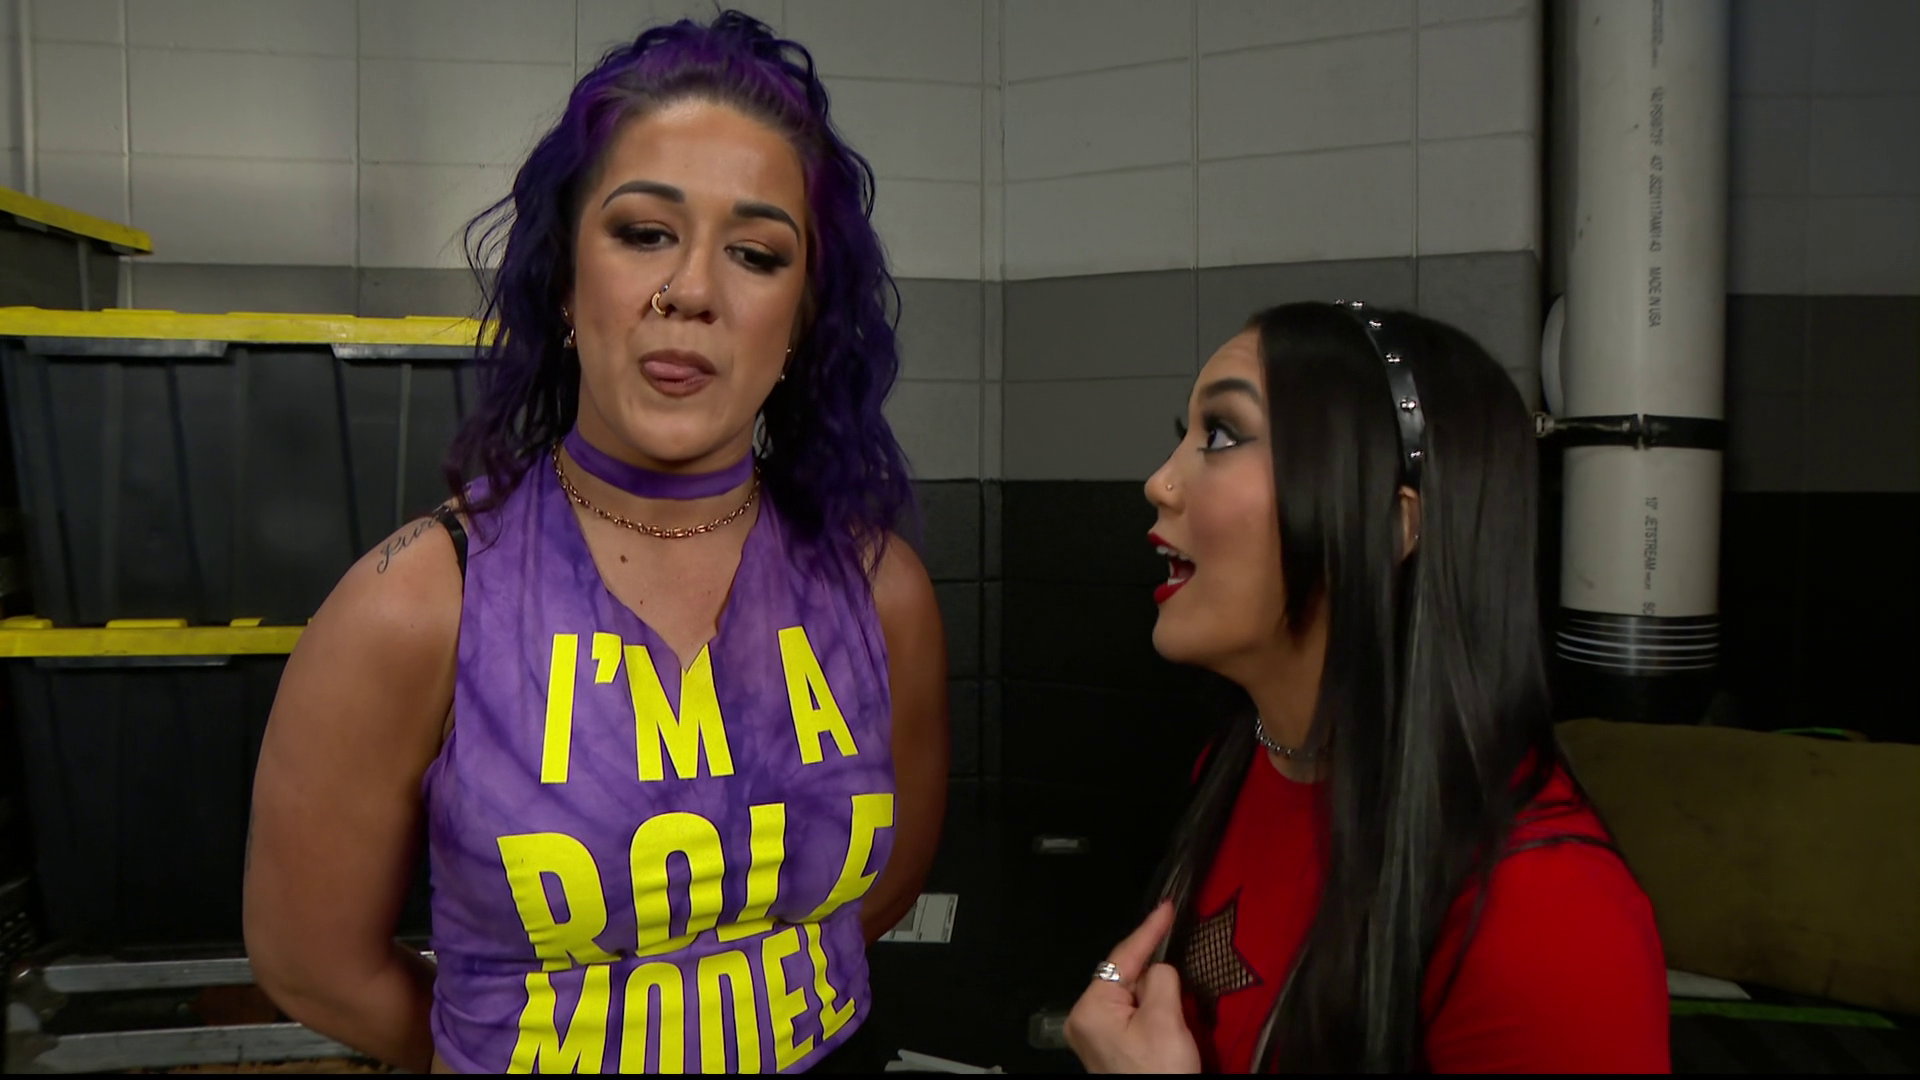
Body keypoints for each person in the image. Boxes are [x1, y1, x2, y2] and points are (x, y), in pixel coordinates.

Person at [242, 12, 948, 1074]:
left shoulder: (879, 587)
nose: (691, 291)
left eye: (756, 254)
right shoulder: (414, 607)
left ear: (801, 320)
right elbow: (313, 963)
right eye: (644, 233)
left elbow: (881, 892)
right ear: (567, 284)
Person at [1063, 302, 1670, 1073]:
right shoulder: (1237, 765)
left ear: (1392, 526)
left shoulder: (1550, 918)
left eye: (1220, 436)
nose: (1160, 483)